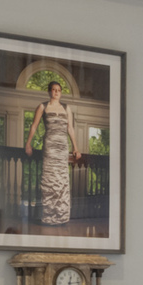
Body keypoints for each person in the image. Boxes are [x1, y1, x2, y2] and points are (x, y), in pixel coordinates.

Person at [35, 76, 80, 227]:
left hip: (62, 148)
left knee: (61, 181)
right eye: (54, 90)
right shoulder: (43, 106)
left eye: (59, 90)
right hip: (49, 147)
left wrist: (75, 147)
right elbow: (34, 126)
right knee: (49, 180)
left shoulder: (66, 108)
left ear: (61, 93)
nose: (56, 92)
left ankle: (61, 217)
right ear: (49, 92)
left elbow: (70, 129)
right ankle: (48, 217)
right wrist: (28, 144)